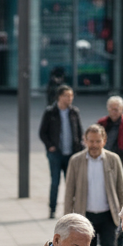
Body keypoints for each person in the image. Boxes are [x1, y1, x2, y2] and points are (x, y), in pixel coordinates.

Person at [61, 123, 123, 246]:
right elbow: (69, 193)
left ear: (104, 141)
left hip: (108, 216)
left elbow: (122, 190)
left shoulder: (113, 159)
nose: (94, 144)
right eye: (91, 141)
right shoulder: (75, 161)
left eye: (98, 141)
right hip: (85, 217)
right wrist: (67, 221)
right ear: (85, 141)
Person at [38, 85, 84, 218]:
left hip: (71, 154)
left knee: (71, 183)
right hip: (56, 154)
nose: (69, 98)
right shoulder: (50, 112)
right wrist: (50, 146)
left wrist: (80, 148)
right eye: (66, 96)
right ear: (59, 97)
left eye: (71, 96)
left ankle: (72, 210)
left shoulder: (74, 112)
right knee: (55, 182)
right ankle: (52, 209)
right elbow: (42, 133)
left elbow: (80, 132)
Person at [98, 96, 123, 181]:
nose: (114, 112)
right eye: (111, 109)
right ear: (108, 109)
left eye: (116, 109)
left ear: (122, 109)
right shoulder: (102, 123)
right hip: (105, 159)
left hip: (122, 160)